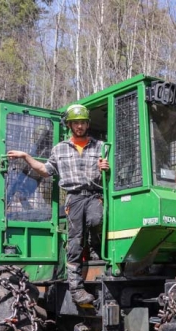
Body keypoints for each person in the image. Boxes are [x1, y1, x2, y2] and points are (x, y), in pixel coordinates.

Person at [8, 104, 109, 305]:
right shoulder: (60, 149)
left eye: (83, 122)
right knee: (75, 242)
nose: (80, 126)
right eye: (76, 123)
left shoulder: (100, 146)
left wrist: (106, 167)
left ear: (87, 124)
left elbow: (112, 169)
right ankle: (76, 289)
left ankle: (96, 249)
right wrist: (26, 157)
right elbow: (45, 170)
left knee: (97, 219)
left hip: (95, 193)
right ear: (70, 125)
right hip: (74, 196)